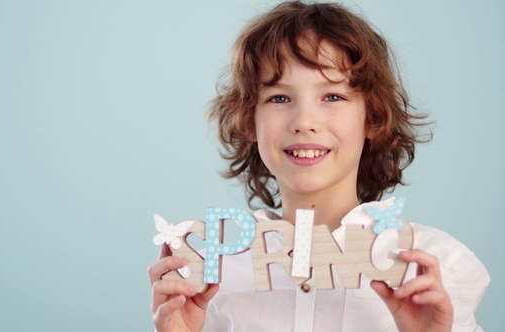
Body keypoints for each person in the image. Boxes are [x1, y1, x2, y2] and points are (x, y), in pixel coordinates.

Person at [147, 1, 490, 331]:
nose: (304, 121)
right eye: (279, 98)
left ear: (372, 118)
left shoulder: (436, 266)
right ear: (249, 121)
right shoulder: (210, 276)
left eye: (333, 96)